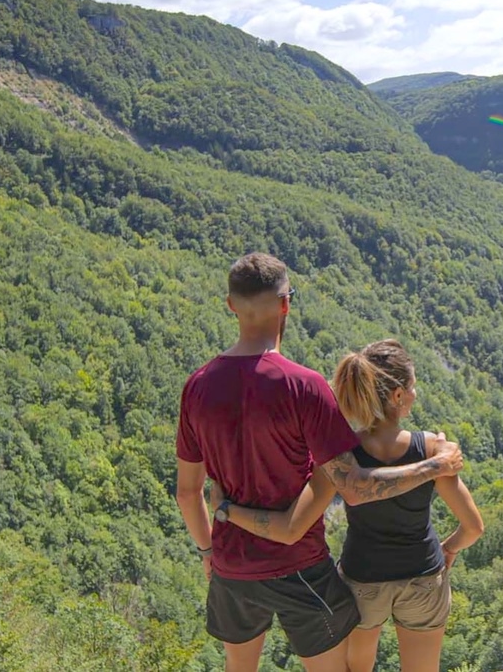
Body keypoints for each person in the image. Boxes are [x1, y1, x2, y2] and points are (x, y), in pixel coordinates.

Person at [174, 253, 464, 672]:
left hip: (232, 566)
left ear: (231, 305)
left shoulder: (197, 387)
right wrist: (433, 467)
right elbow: (355, 487)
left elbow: (188, 492)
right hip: (301, 570)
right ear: (286, 304)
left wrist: (207, 551)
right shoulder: (304, 386)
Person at [212, 339, 485, 672]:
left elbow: (291, 526)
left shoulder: (341, 455)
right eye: (412, 387)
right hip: (423, 577)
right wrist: (449, 550)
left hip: (362, 580)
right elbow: (473, 527)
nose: (416, 394)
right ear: (397, 396)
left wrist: (227, 509)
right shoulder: (432, 451)